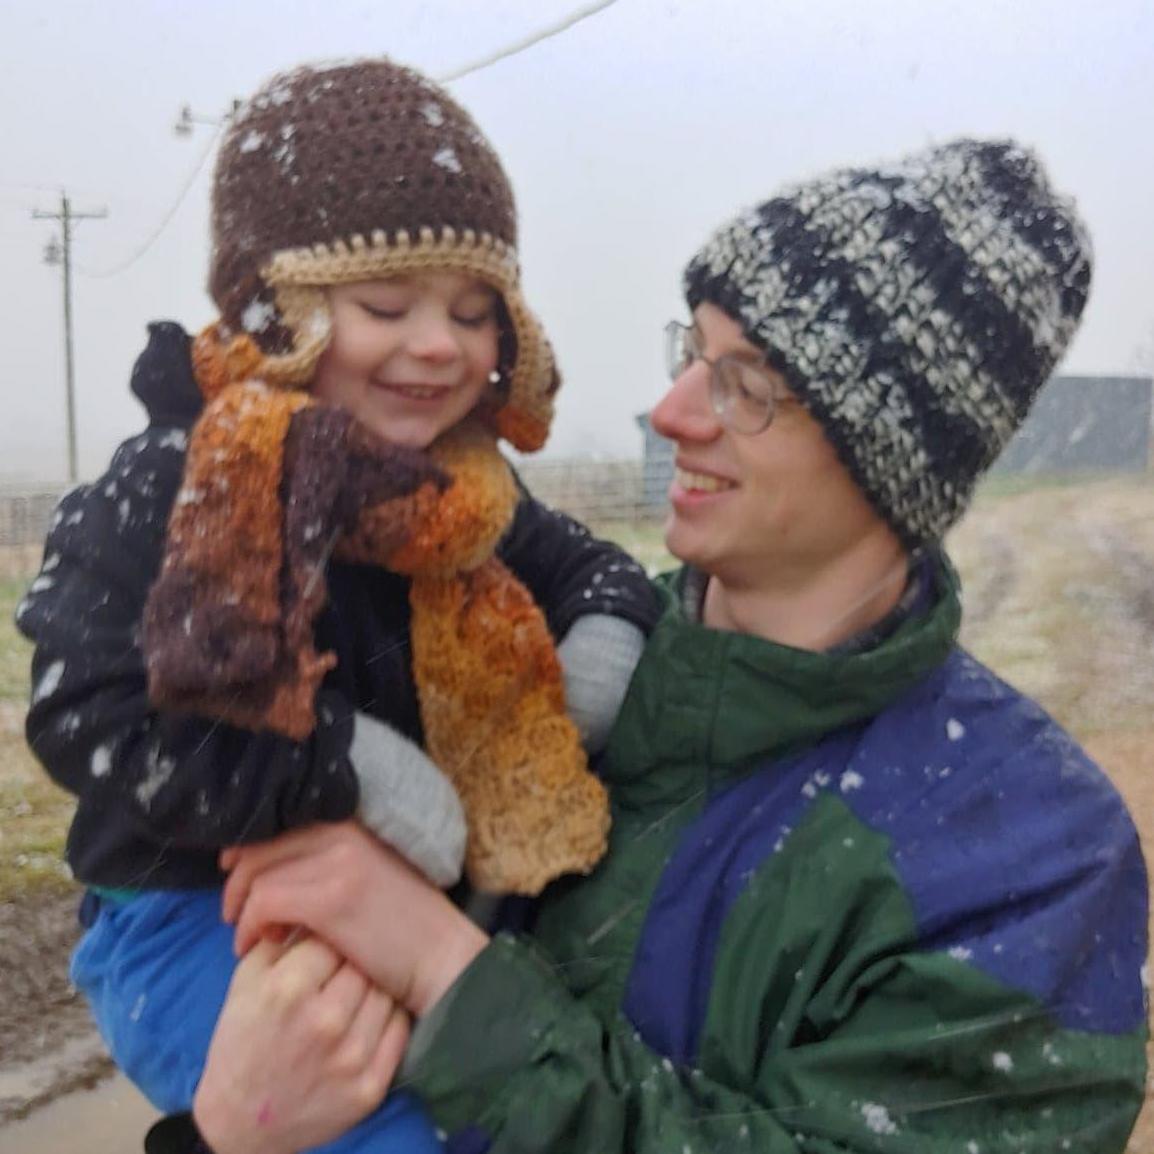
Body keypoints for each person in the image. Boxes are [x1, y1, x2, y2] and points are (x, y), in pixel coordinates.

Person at [177, 136, 1149, 1154]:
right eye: (688, 352)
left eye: (746, 383)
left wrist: (445, 975)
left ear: (891, 458)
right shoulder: (521, 655)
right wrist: (223, 1129)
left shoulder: (1029, 851)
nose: (674, 412)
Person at [16, 57, 659, 1154]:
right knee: (394, 1130)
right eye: (383, 305)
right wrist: (336, 768)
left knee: (513, 1096)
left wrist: (594, 653)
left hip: (399, 901)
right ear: (281, 309)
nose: (438, 344)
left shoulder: (459, 489)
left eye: (471, 309)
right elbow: (88, 711)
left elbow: (600, 572)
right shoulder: (179, 483)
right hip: (192, 914)